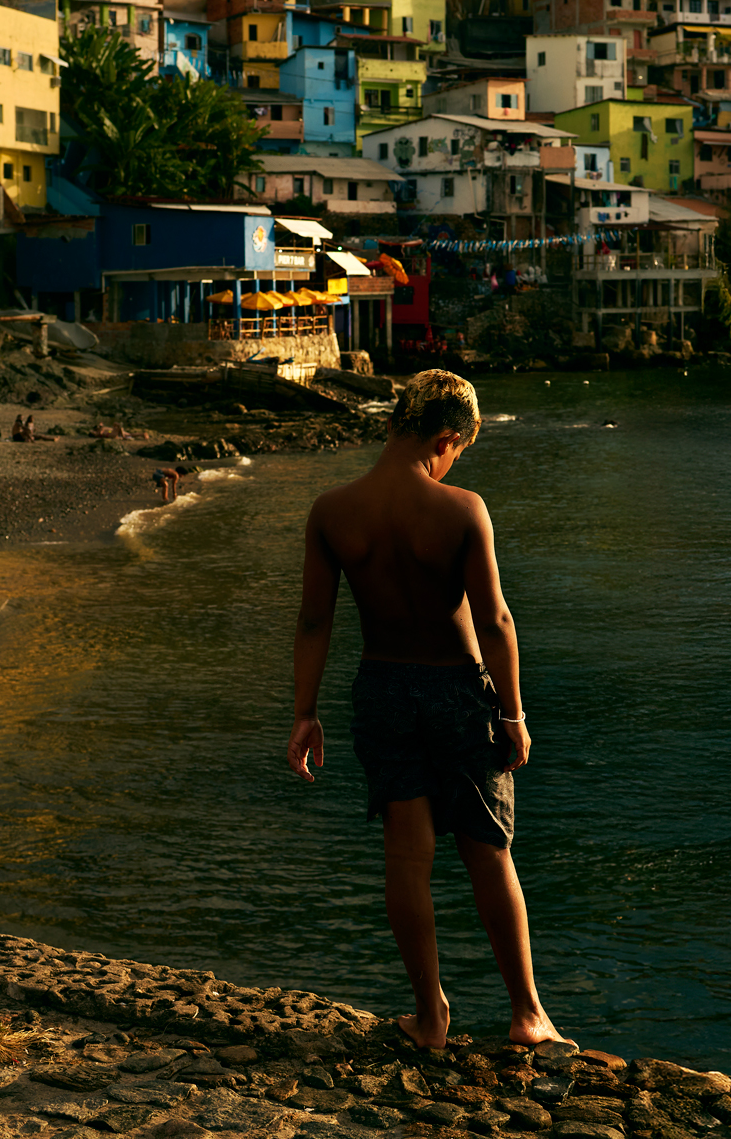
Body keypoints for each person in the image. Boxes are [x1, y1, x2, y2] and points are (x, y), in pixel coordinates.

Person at [286, 370, 559, 1052]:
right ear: (445, 438)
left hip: (381, 689)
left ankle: (430, 1015)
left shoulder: (333, 511)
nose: (453, 464)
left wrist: (304, 712)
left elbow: (314, 621)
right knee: (489, 853)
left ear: (388, 425)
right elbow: (494, 619)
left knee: (407, 857)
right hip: (458, 693)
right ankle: (528, 1014)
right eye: (456, 451)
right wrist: (515, 713)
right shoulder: (461, 509)